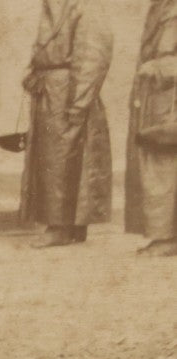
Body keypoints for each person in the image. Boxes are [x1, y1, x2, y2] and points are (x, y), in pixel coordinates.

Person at [19, 0, 114, 247]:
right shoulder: (55, 4)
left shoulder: (86, 5)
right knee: (53, 159)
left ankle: (61, 227)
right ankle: (68, 225)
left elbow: (94, 56)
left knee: (63, 158)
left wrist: (80, 102)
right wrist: (35, 72)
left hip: (69, 91)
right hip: (53, 89)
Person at [126, 0, 177, 256]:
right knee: (157, 168)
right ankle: (162, 235)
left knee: (165, 169)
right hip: (158, 98)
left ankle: (168, 238)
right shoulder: (161, 6)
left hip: (170, 102)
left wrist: (159, 68)